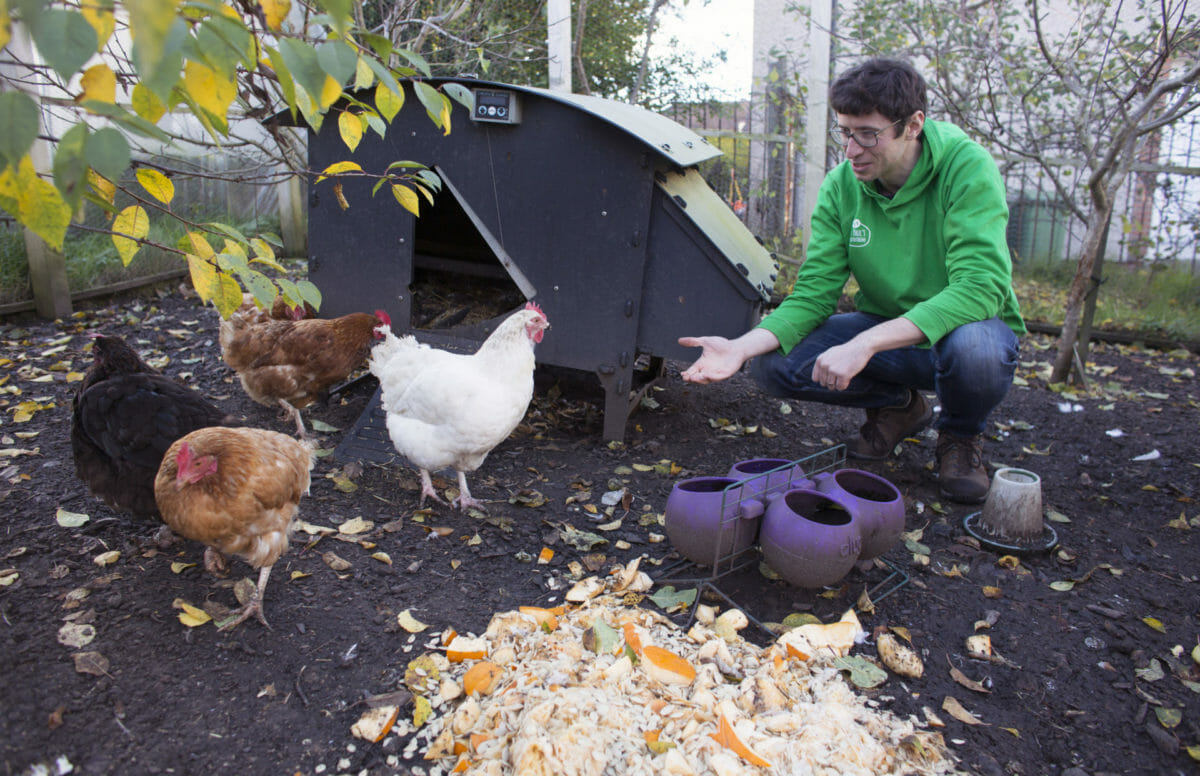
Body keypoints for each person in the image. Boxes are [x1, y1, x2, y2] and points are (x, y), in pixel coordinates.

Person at [679, 57, 1024, 504]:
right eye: (844, 131)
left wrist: (866, 343)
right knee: (774, 363)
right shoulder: (842, 187)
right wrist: (741, 347)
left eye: (868, 134)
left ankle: (960, 437)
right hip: (892, 339)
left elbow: (980, 287)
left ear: (913, 124)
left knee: (977, 352)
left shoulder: (965, 168)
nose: (852, 149)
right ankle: (901, 408)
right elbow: (814, 294)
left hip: (961, 333)